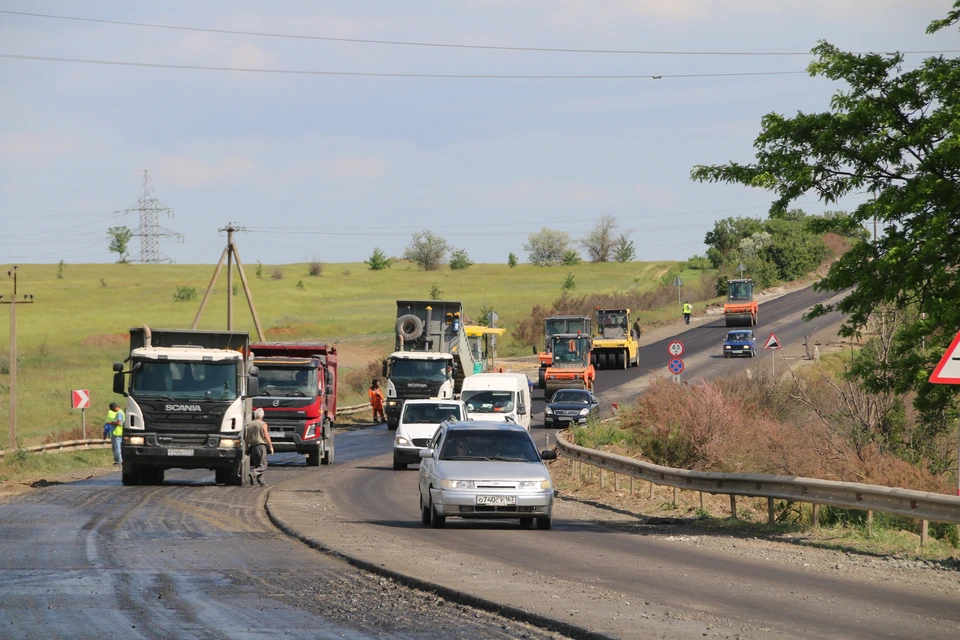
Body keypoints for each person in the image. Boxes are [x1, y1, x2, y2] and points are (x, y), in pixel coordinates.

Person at [244, 408, 274, 487]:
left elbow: (246, 438)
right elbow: (266, 436)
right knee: (263, 465)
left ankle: (262, 482)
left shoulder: (249, 425)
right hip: (261, 446)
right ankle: (253, 473)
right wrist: (270, 447)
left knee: (258, 465)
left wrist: (247, 448)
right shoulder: (263, 424)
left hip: (252, 447)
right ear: (262, 415)